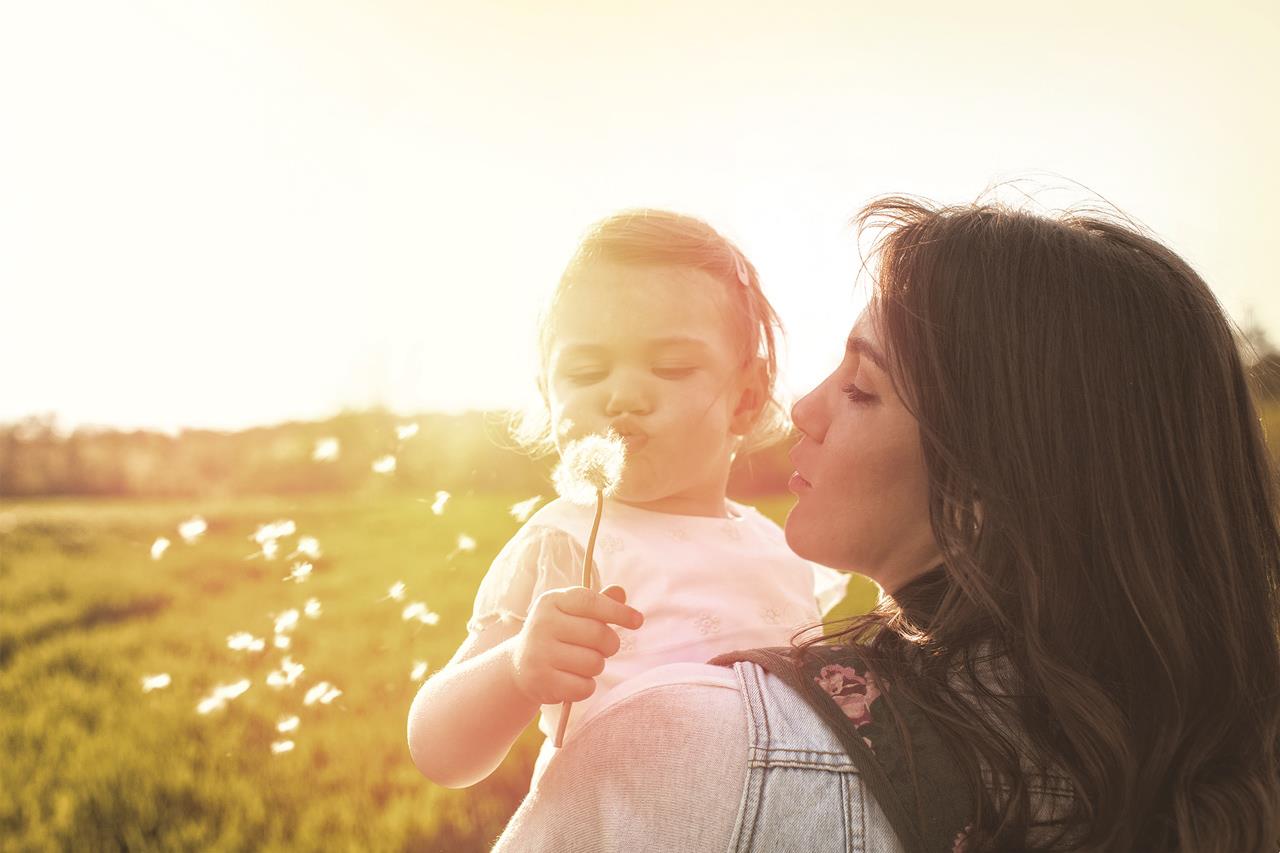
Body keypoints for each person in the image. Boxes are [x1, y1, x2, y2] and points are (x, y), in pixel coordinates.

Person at [490, 197, 1280, 852]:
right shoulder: (1202, 760)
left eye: (861, 388)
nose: (801, 409)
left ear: (989, 481)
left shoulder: (686, 743)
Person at [406, 210, 849, 791]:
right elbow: (440, 751)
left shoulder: (779, 548)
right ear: (547, 392)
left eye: (669, 366)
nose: (622, 396)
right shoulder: (564, 541)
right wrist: (517, 669)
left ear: (746, 397)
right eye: (588, 371)